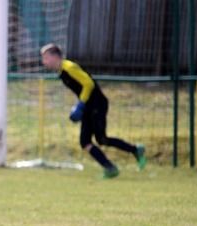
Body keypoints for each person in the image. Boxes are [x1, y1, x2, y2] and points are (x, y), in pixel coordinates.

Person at [40, 43, 146, 178]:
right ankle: (110, 168)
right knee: (85, 141)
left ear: (55, 57)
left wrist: (80, 104)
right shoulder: (62, 71)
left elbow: (88, 83)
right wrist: (79, 105)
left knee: (102, 139)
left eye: (46, 58)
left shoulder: (69, 67)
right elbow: (80, 88)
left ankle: (136, 150)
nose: (44, 62)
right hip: (88, 106)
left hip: (97, 104)